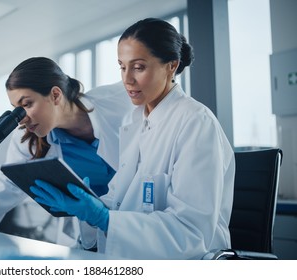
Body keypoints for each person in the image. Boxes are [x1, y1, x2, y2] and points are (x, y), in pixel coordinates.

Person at [30, 18, 235, 259]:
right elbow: (120, 200)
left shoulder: (196, 122)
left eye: (138, 67)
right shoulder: (134, 122)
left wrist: (104, 218)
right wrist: (88, 208)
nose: (127, 79)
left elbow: (191, 233)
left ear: (171, 66)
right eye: (122, 66)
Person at [0, 57, 134, 246]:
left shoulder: (117, 101)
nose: (22, 119)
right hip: (90, 235)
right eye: (17, 109)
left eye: (27, 104)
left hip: (135, 223)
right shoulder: (28, 137)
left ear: (56, 95)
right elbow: (8, 183)